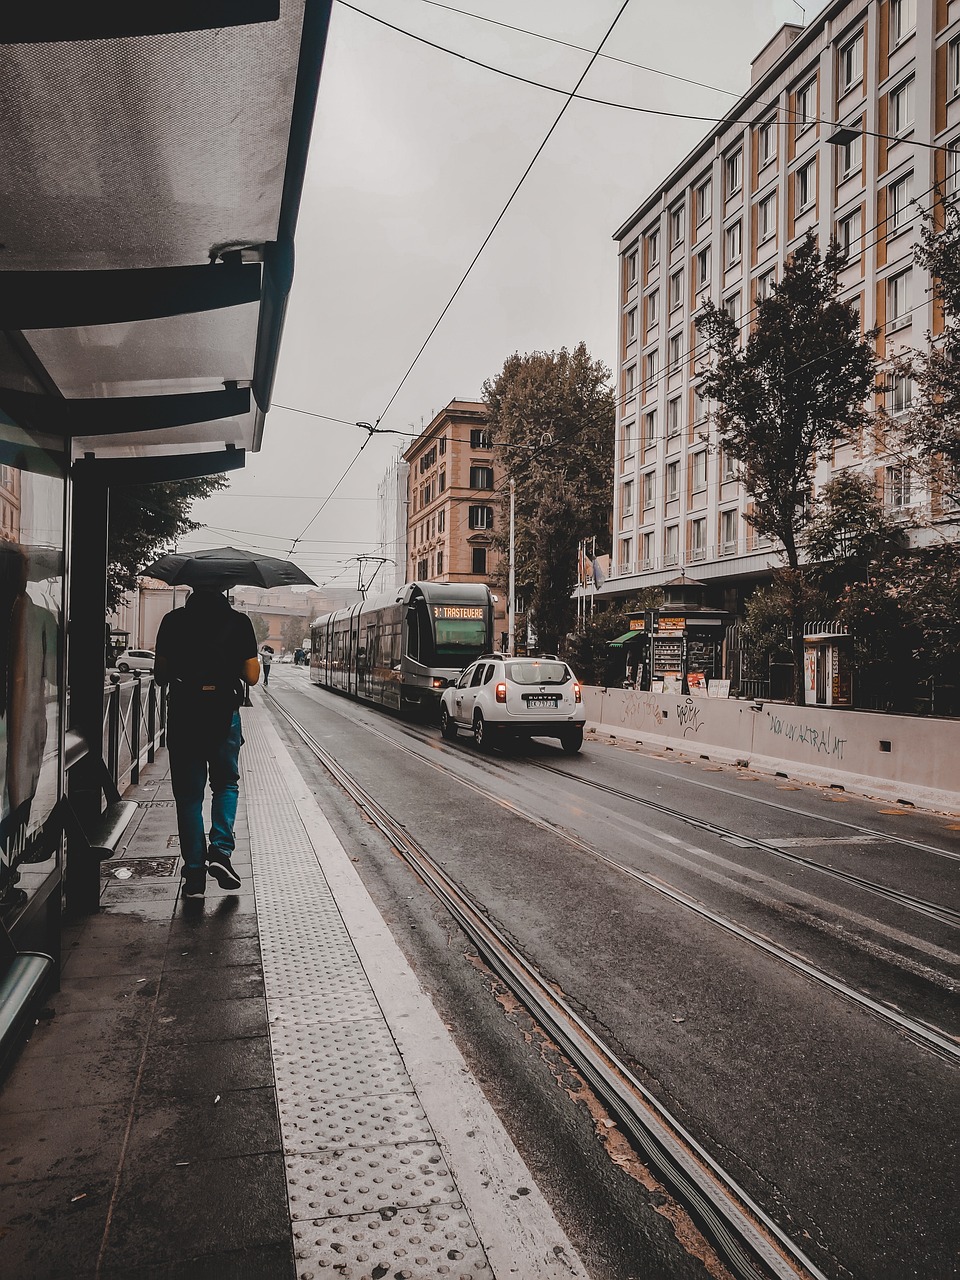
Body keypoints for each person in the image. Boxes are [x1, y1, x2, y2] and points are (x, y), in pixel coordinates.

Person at [154, 586, 260, 899]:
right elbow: (252, 676)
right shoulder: (239, 622)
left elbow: (160, 675)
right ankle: (221, 853)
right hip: (223, 714)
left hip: (184, 715)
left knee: (188, 797)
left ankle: (195, 874)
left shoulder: (173, 621)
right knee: (226, 784)